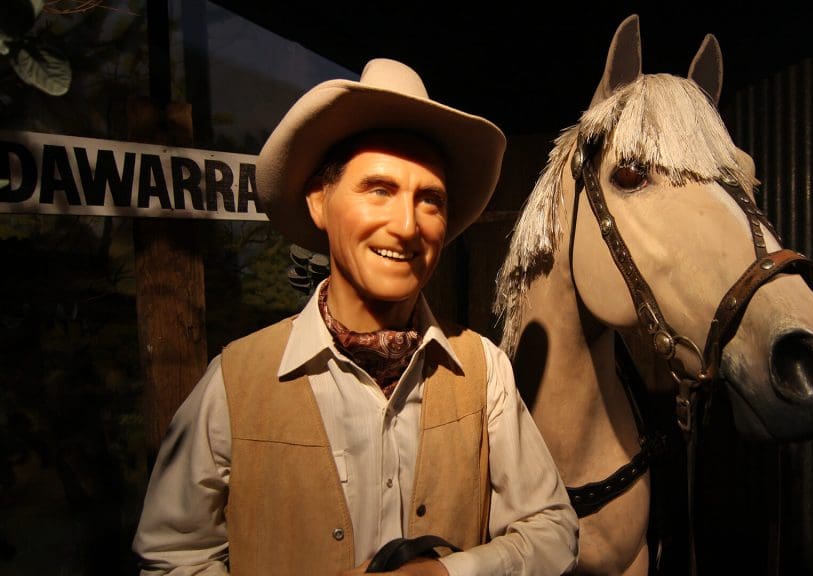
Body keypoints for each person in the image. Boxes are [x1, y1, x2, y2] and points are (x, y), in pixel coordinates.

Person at [132, 58, 579, 575]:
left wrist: (449, 573)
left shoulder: (483, 371)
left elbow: (553, 530)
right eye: (379, 190)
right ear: (320, 203)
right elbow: (172, 558)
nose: (407, 225)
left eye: (430, 200)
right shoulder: (237, 381)